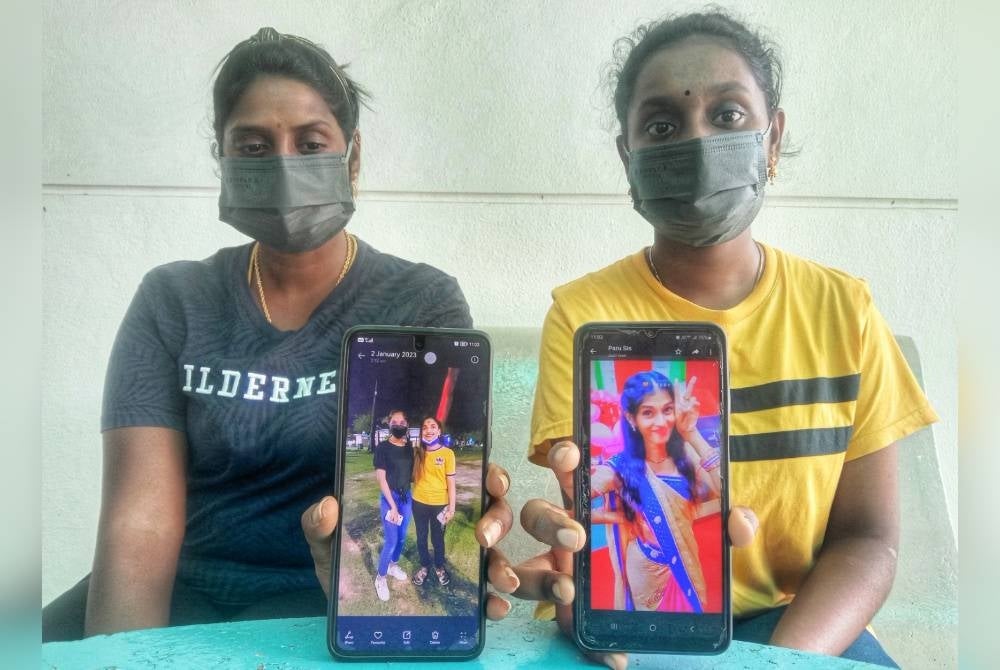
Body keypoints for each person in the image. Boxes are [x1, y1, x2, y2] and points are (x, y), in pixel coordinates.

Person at [42, 27, 523, 641]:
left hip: (325, 593)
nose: (284, 165)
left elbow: (418, 466)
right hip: (184, 585)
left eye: (311, 142)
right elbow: (139, 524)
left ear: (352, 159)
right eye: (253, 146)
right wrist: (125, 653)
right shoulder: (174, 299)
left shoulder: (418, 301)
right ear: (222, 160)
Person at [517, 9, 937, 669]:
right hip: (642, 622)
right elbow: (603, 525)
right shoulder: (585, 314)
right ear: (630, 158)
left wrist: (777, 664)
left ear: (772, 139)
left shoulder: (842, 309)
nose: (698, 141)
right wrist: (591, 593)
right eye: (661, 125)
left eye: (730, 115)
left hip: (799, 624)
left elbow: (869, 540)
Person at [591, 371, 720, 613]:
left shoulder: (686, 455)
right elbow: (575, 504)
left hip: (686, 558)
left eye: (667, 410)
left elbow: (725, 495)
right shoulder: (620, 467)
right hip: (646, 567)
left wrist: (691, 434)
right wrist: (612, 517)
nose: (660, 422)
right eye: (648, 412)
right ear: (631, 419)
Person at [372, 410, 415, 601]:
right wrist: (393, 506)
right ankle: (380, 577)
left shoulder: (409, 447)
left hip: (407, 497)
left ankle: (393, 566)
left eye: (402, 421)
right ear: (389, 424)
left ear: (406, 424)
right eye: (394, 421)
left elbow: (410, 474)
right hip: (390, 499)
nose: (398, 424)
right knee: (391, 540)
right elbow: (382, 480)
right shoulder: (382, 448)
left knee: (402, 537)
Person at [410, 416, 457, 587]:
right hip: (419, 503)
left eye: (432, 426)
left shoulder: (447, 454)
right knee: (421, 538)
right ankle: (424, 567)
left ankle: (439, 567)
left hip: (440, 506)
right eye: (424, 427)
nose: (428, 430)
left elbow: (451, 483)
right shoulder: (417, 453)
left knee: (438, 539)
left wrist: (451, 508)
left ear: (439, 431)